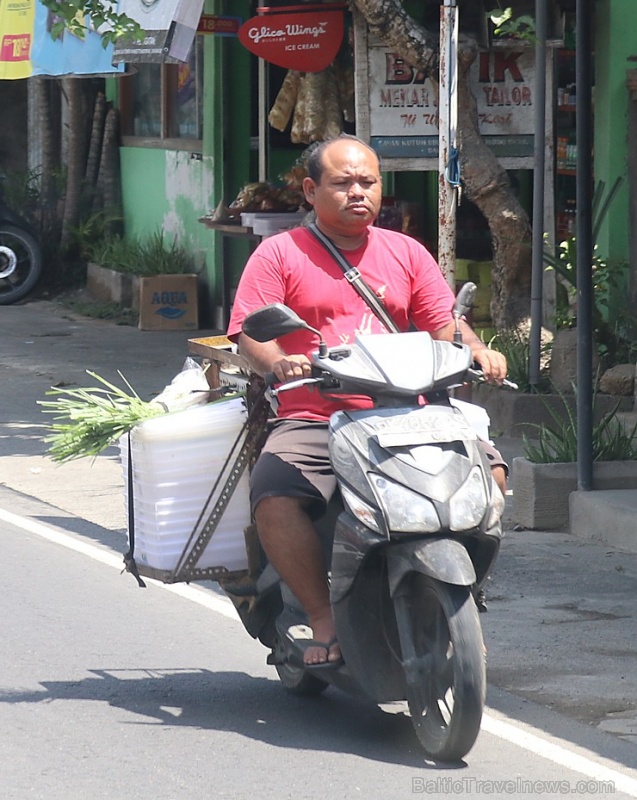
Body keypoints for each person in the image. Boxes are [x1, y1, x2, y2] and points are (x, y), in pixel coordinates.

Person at [227, 135, 508, 668]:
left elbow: (445, 322)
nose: (358, 193)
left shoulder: (406, 251)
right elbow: (248, 331)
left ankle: (462, 597)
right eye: (342, 183)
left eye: (368, 182)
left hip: (408, 410)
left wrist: (477, 351)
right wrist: (277, 362)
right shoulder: (280, 252)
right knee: (275, 495)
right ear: (311, 191)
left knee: (490, 475)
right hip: (316, 413)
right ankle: (322, 615)